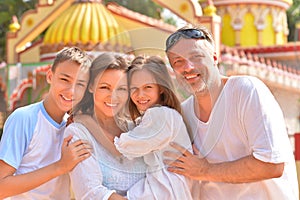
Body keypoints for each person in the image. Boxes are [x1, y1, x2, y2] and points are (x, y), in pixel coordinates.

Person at [163, 24, 299, 199]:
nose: (187, 67)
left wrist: (205, 170)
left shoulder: (246, 91)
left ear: (214, 58)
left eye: (196, 57)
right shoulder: (183, 113)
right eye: (178, 62)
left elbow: (272, 164)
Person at [0, 46, 92, 199]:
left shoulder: (75, 127)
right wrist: (60, 166)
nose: (71, 91)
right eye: (64, 79)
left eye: (80, 84)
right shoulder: (24, 118)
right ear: (50, 76)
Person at [64, 52, 147, 199]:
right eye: (104, 87)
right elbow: (91, 193)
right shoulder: (78, 133)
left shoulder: (138, 128)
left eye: (121, 88)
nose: (113, 96)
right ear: (91, 87)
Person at [114, 55, 193, 200]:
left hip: (163, 191)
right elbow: (129, 128)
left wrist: (89, 125)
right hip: (164, 190)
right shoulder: (162, 115)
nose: (140, 95)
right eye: (134, 88)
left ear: (161, 88)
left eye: (148, 87)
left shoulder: (160, 115)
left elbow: (126, 147)